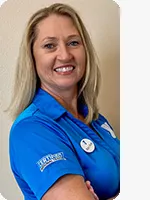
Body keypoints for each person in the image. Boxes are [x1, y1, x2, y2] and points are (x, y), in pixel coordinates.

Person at [8, 3, 120, 200]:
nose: (65, 55)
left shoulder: (96, 119)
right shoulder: (31, 130)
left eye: (73, 43)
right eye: (50, 45)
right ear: (32, 58)